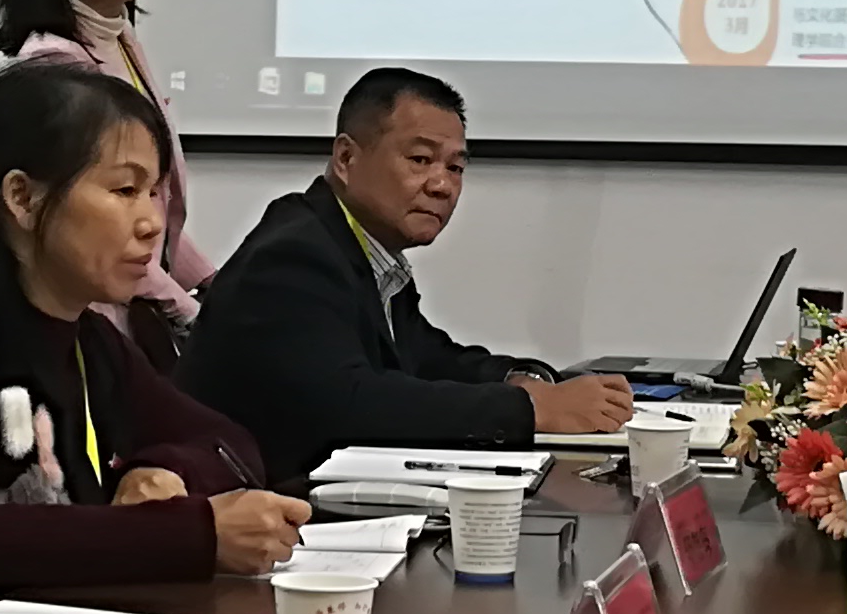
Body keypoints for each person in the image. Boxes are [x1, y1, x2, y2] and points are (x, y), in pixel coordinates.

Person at [0, 62, 309, 607]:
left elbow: (230, 447)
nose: (151, 223)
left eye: (154, 192)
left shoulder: (90, 339)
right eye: (125, 189)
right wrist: (193, 534)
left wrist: (164, 469)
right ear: (23, 198)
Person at [181, 67, 633, 491]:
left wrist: (525, 378)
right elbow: (348, 404)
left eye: (455, 167)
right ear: (346, 158)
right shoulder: (294, 255)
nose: (442, 185)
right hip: (256, 515)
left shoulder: (361, 249)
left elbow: (428, 359)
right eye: (420, 159)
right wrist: (531, 409)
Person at [0, 0, 210, 358]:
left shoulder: (122, 40)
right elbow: (97, 220)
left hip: (133, 298)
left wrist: (212, 281)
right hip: (90, 309)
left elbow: (154, 206)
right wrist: (187, 308)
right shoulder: (54, 64)